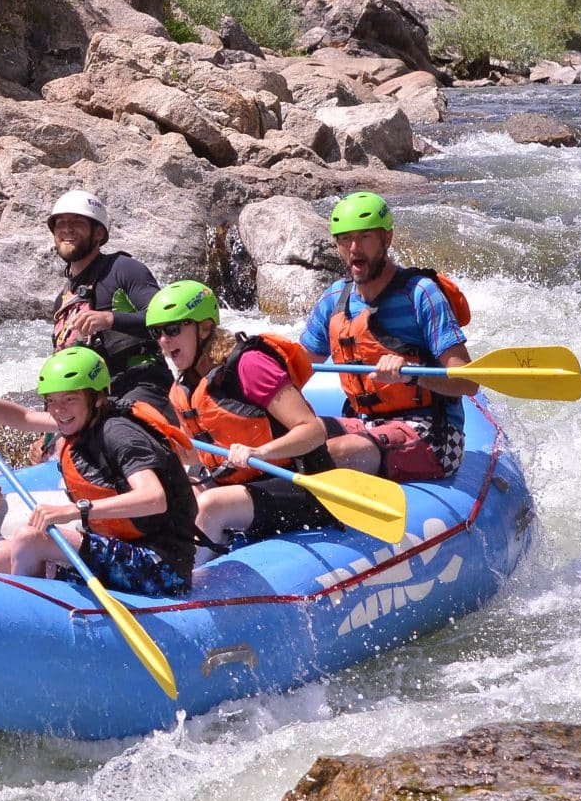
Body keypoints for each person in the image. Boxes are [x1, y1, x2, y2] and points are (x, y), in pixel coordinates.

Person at [0, 347, 198, 597]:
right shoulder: (81, 420)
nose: (58, 411)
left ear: (97, 397)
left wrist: (75, 511)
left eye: (69, 399)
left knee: (30, 539)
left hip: (160, 565)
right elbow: (24, 418)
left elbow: (154, 498)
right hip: (120, 546)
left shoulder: (120, 434)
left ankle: (31, 622)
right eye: (51, 401)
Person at [143, 279, 338, 551]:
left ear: (205, 328)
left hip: (303, 484)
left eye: (173, 330)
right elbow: (194, 455)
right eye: (157, 333)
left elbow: (313, 430)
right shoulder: (184, 386)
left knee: (211, 506)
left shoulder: (249, 365)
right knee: (167, 497)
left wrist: (260, 452)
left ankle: (183, 585)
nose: (164, 341)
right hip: (243, 488)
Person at [299, 192, 478, 482]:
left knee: (332, 453)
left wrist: (413, 375)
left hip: (434, 434)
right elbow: (296, 370)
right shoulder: (334, 299)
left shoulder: (421, 294)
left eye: (365, 237)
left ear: (387, 239)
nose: (354, 248)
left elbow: (467, 383)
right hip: (365, 423)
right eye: (345, 239)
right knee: (290, 441)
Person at [44, 190, 175, 421]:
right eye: (60, 223)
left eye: (77, 222)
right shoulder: (63, 300)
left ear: (98, 233)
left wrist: (109, 319)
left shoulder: (123, 269)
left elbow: (167, 319)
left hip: (143, 384)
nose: (67, 229)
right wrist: (48, 433)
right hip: (95, 399)